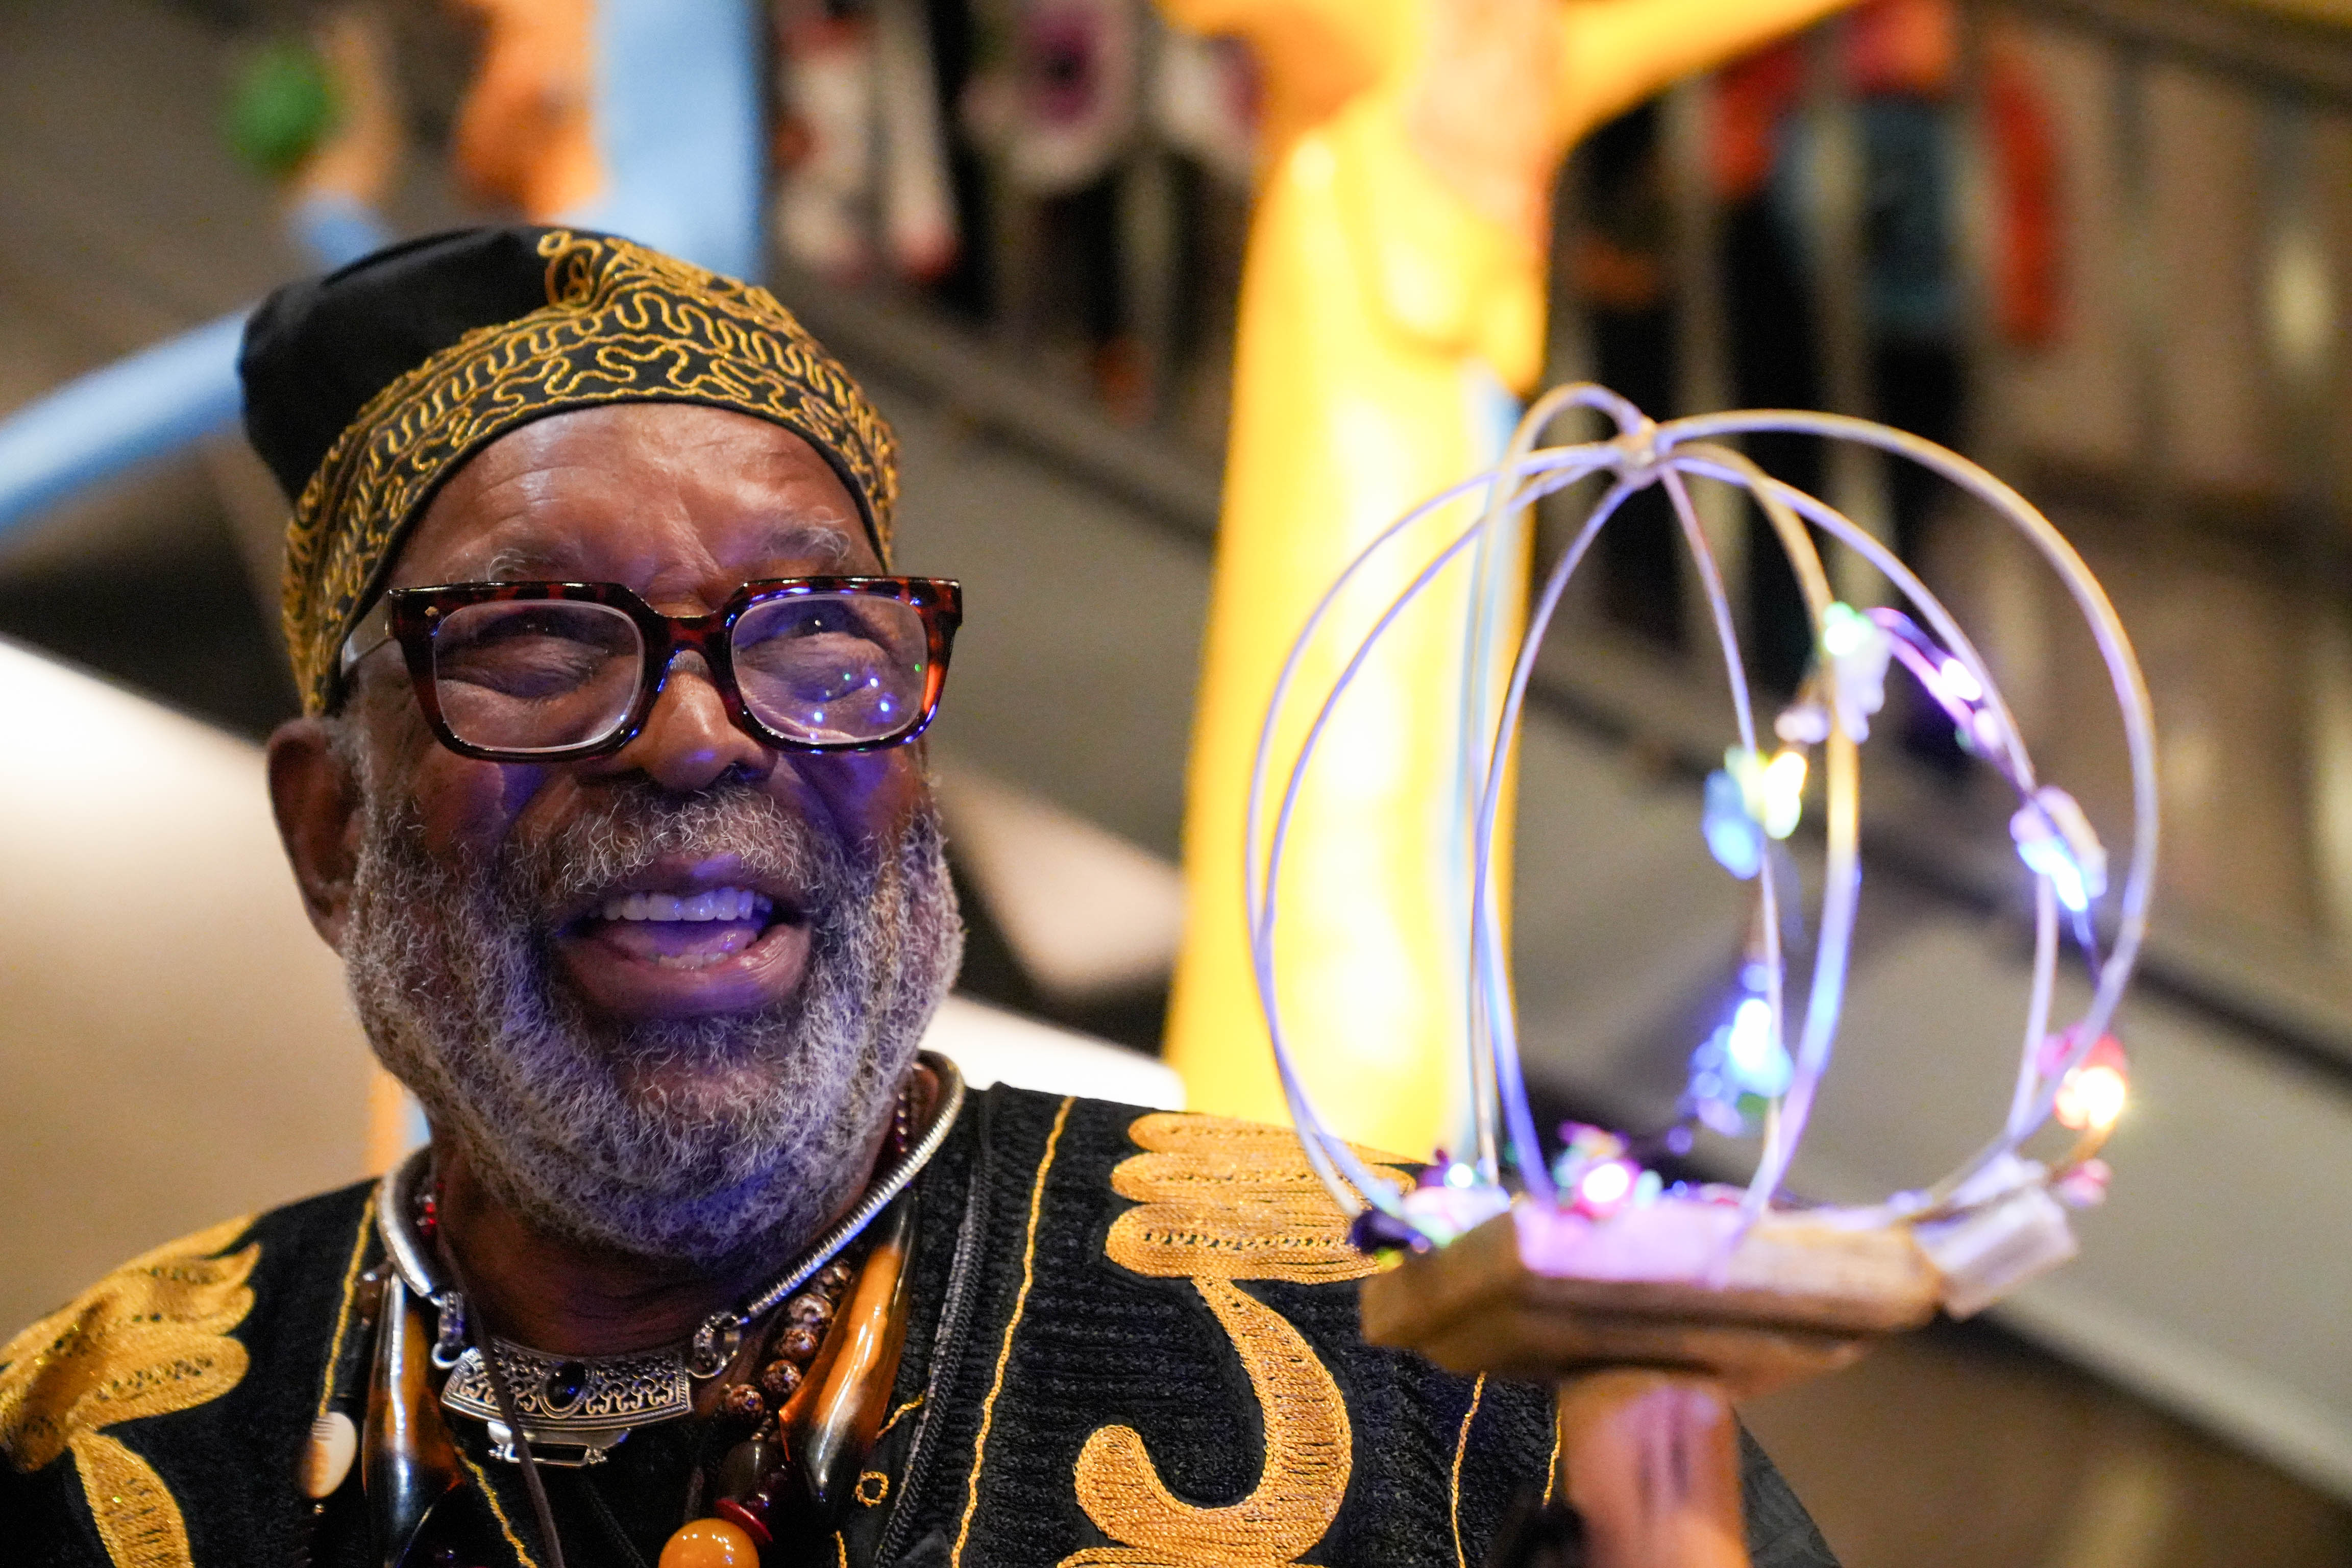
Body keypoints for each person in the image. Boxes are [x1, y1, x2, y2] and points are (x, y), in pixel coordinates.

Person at [0, 226, 1836, 1567]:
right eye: (542, 641)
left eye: (813, 635)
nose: (704, 737)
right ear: (333, 829)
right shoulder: (90, 1441)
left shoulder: (1434, 1353)